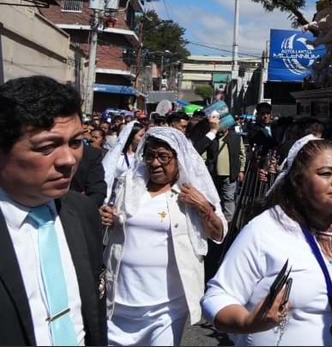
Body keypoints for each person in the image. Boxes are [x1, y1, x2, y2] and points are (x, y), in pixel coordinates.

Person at [203, 137, 332, 345]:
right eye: (326, 173)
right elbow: (217, 297)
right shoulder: (265, 230)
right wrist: (247, 321)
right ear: (299, 180)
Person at [0, 76, 106, 345]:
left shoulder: (82, 212)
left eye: (75, 142)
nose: (69, 160)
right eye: (47, 147)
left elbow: (93, 312)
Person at [99, 126, 226, 345]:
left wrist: (204, 207)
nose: (155, 163)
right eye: (150, 155)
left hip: (166, 308)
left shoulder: (190, 193)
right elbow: (112, 220)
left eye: (163, 157)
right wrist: (107, 218)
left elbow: (218, 233)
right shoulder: (129, 184)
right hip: (121, 302)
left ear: (179, 159)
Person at [102, 121, 145, 199]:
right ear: (131, 137)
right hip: (115, 194)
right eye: (141, 135)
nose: (143, 138)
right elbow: (108, 173)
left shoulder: (142, 157)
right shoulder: (118, 156)